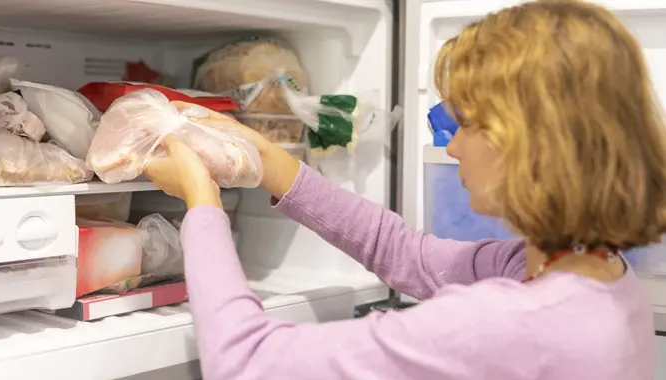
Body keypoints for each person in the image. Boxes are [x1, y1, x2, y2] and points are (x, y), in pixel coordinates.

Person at [145, 1, 662, 379]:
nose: (452, 146)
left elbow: (243, 363)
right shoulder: (595, 274)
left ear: (529, 142)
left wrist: (202, 204)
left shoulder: (511, 324)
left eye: (466, 121)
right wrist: (279, 169)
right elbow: (407, 255)